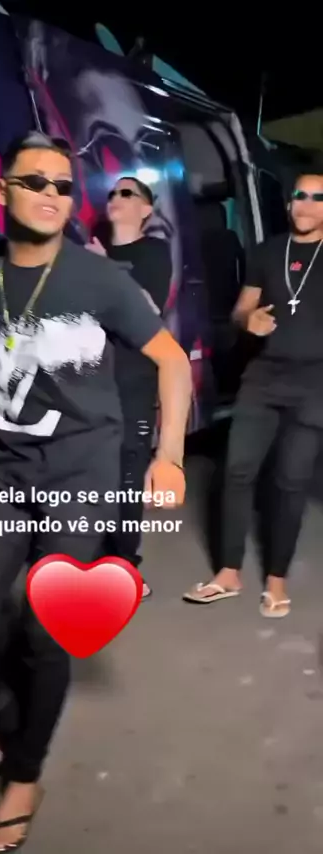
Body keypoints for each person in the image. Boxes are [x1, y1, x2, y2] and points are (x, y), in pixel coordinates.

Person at [0, 131, 192, 851]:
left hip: (81, 472)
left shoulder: (97, 280)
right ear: (1, 190)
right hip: (4, 470)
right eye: (34, 182)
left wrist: (168, 457)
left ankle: (25, 774)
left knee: (48, 627)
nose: (51, 195)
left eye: (63, 186)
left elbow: (172, 362)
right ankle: (17, 707)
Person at [184, 173, 323, 618]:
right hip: (262, 377)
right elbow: (241, 309)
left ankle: (276, 581)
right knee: (237, 471)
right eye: (299, 194)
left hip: (314, 385)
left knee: (290, 481)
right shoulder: (267, 251)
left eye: (318, 197)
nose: (306, 203)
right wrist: (249, 321)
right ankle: (228, 573)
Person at [86, 177, 173, 599]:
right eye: (112, 193)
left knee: (125, 476)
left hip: (133, 380)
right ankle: (91, 563)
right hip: (89, 382)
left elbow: (150, 310)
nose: (116, 199)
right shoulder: (90, 252)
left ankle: (125, 566)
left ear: (146, 210)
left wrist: (105, 268)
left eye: (127, 193)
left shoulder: (153, 252)